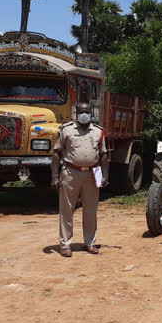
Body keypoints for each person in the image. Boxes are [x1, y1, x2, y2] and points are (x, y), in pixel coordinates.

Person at [52, 102, 109, 257]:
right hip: (70, 173)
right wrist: (55, 176)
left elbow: (103, 155)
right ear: (76, 113)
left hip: (92, 174)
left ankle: (90, 243)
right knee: (66, 210)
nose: (85, 114)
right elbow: (57, 153)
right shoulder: (66, 130)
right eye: (81, 111)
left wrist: (105, 176)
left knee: (90, 210)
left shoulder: (98, 132)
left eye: (87, 111)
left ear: (92, 113)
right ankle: (65, 245)